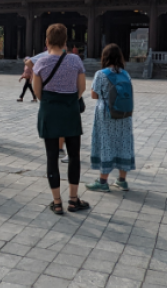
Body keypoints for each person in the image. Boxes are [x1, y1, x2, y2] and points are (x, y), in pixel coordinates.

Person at [33, 24, 90, 215]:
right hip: (70, 110)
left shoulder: (40, 63)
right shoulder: (75, 61)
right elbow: (81, 88)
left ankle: (57, 202)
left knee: (51, 156)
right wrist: (69, 98)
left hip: (50, 110)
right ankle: (73, 199)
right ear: (65, 41)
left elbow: (37, 92)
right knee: (74, 156)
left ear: (47, 41)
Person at [85, 44, 135, 193]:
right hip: (124, 114)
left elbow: (94, 95)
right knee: (123, 143)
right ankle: (122, 180)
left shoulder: (101, 74)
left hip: (107, 113)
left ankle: (102, 182)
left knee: (106, 142)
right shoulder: (125, 74)